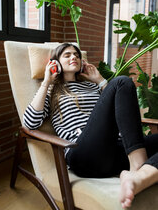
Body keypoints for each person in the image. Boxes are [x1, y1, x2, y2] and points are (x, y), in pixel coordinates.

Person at [23, 43, 158, 207]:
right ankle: (137, 165)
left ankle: (138, 177)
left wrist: (100, 80)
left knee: (121, 85)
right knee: (122, 82)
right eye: (67, 55)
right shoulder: (52, 90)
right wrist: (46, 82)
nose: (74, 57)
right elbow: (30, 123)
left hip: (114, 153)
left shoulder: (92, 85)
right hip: (83, 153)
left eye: (77, 55)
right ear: (55, 63)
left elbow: (121, 106)